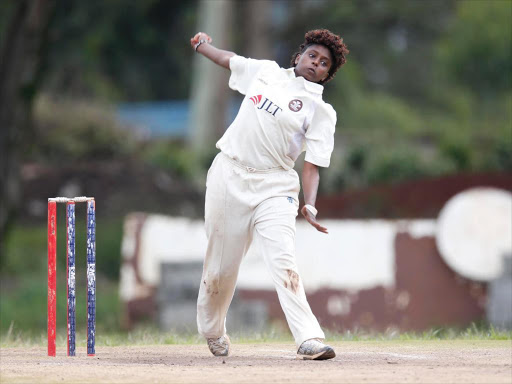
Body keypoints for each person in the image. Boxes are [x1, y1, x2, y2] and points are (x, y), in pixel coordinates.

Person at [190, 29, 349, 360]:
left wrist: (311, 204)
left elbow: (312, 166)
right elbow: (228, 60)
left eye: (324, 63)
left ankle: (308, 338)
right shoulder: (266, 73)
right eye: (312, 56)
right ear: (299, 56)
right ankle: (213, 330)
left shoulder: (321, 112)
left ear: (327, 74)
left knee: (283, 258)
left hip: (276, 186)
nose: (316, 63)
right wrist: (204, 46)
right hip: (229, 174)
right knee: (220, 269)